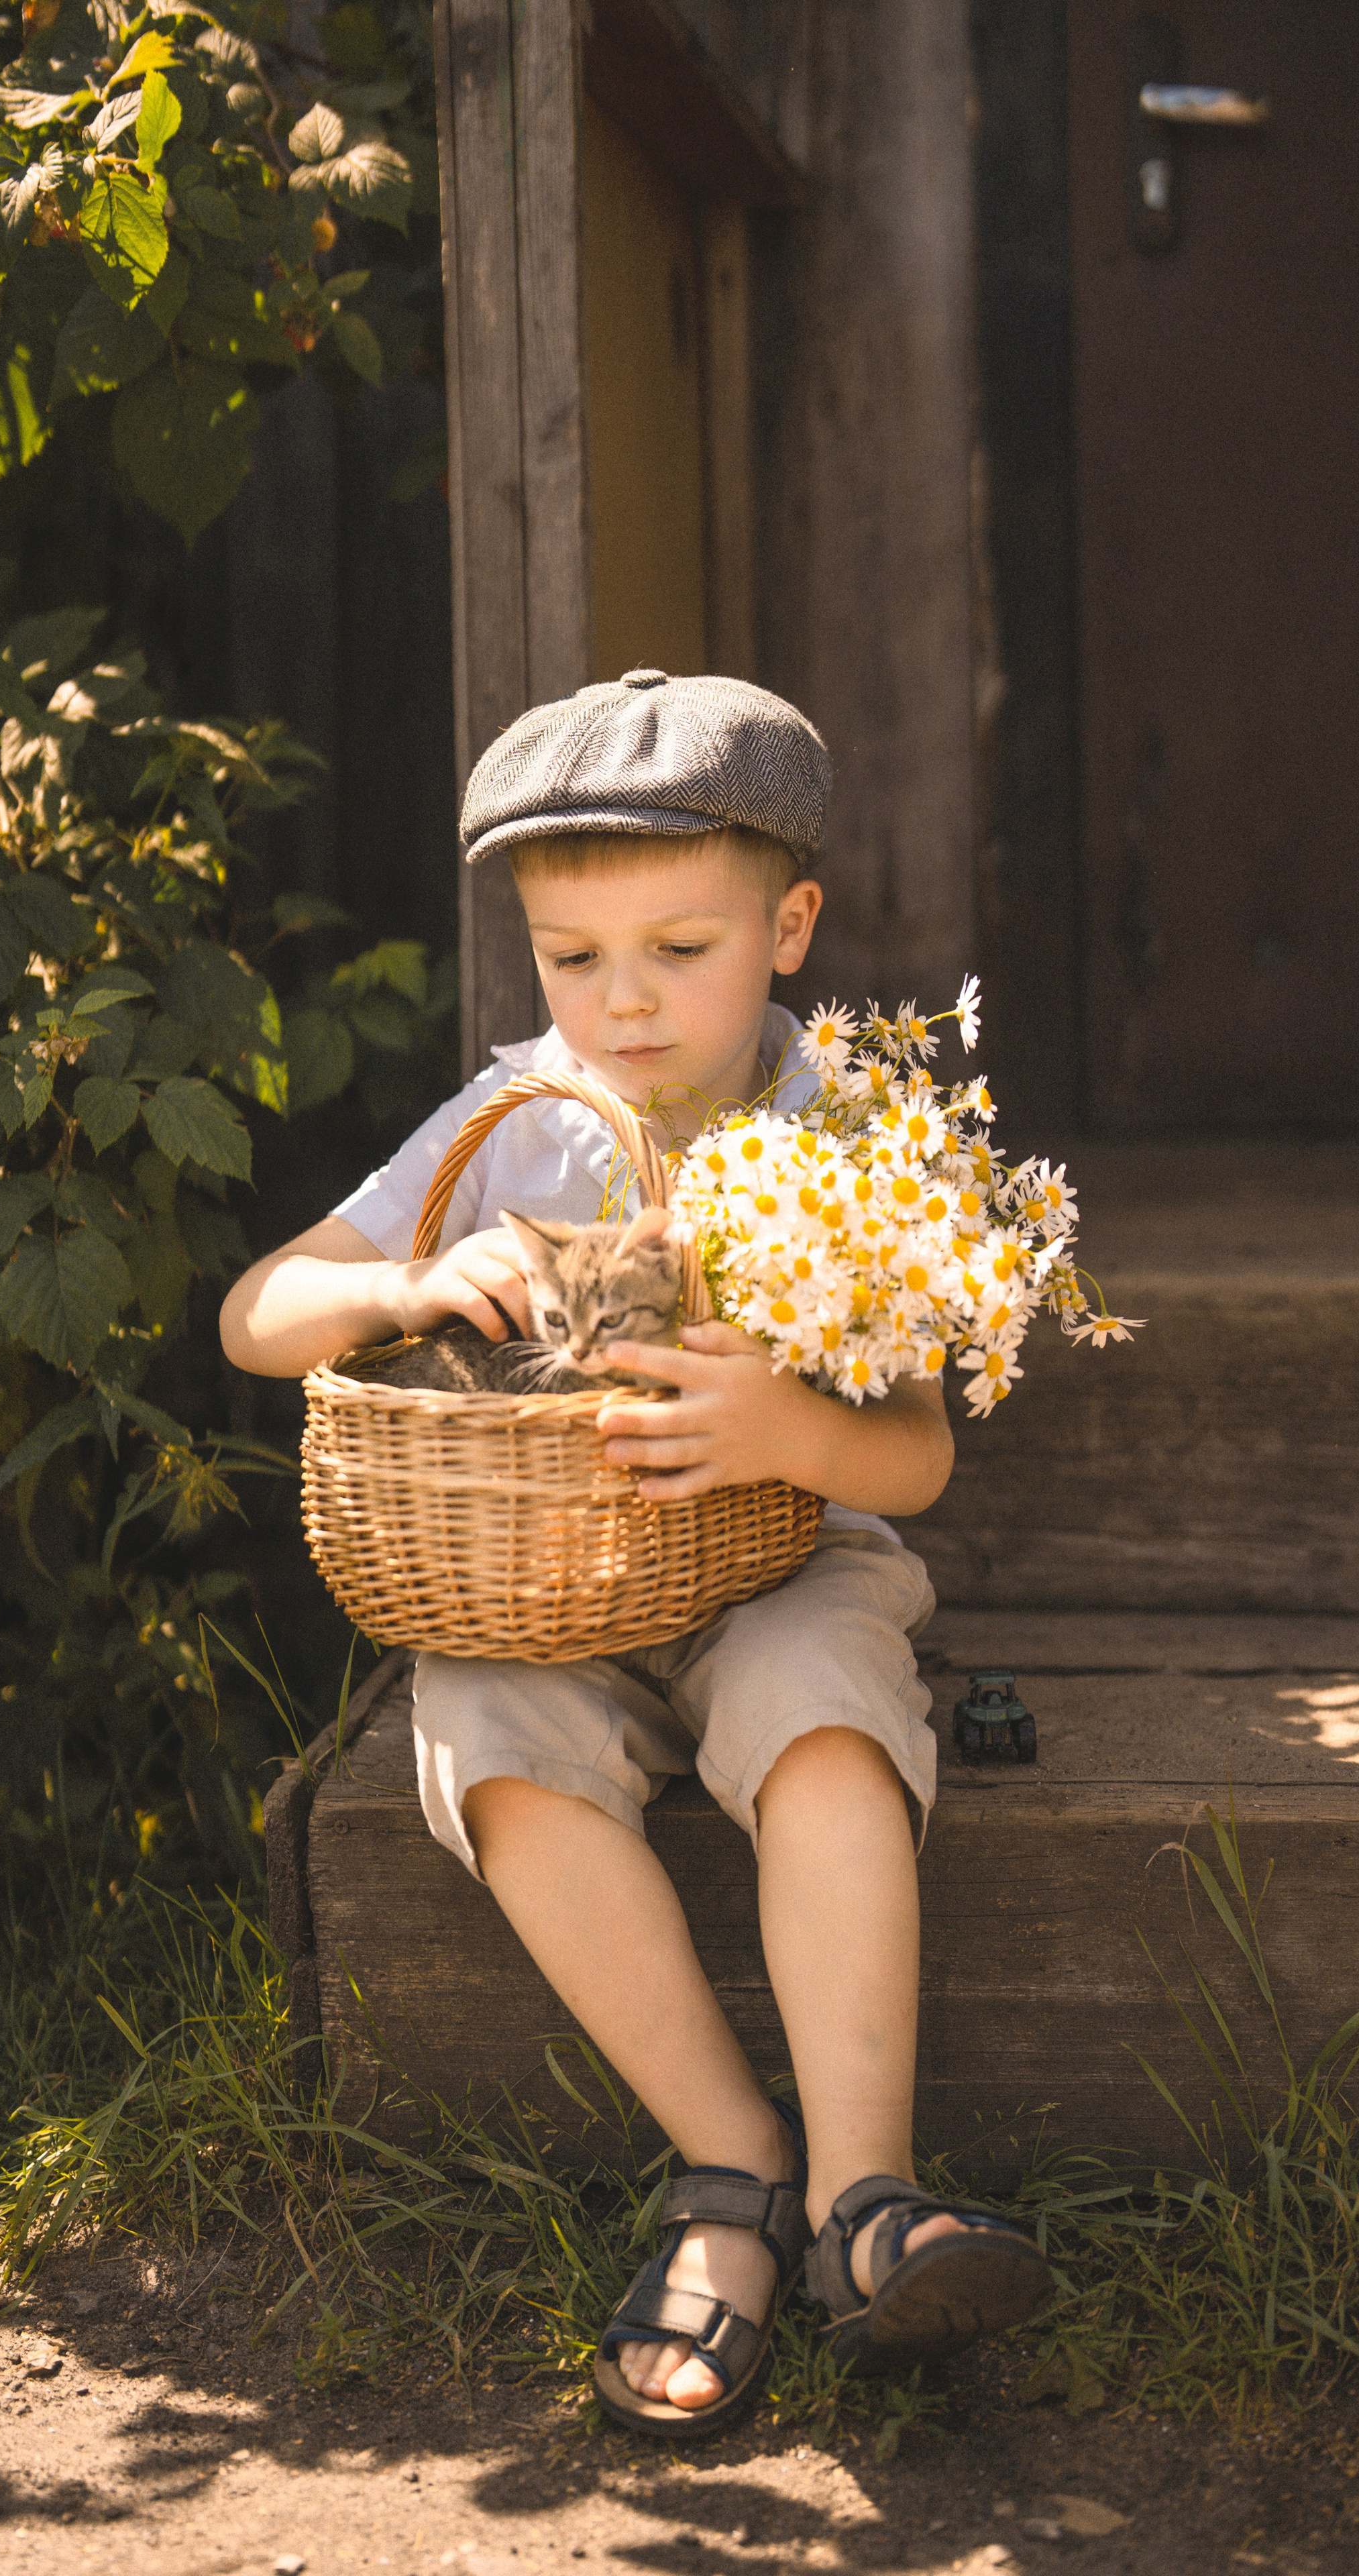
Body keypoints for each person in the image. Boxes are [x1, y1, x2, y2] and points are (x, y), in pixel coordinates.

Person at [221, 668, 1048, 2438]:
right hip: (551, 1600)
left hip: (789, 1559)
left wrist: (789, 1435)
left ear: (791, 923)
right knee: (482, 1741)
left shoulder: (842, 1144)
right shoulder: (516, 1126)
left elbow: (918, 1448)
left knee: (823, 1720)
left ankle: (864, 2198)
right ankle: (730, 2169)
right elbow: (255, 1311)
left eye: (679, 949)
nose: (623, 1004)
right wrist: (404, 1283)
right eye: (571, 958)